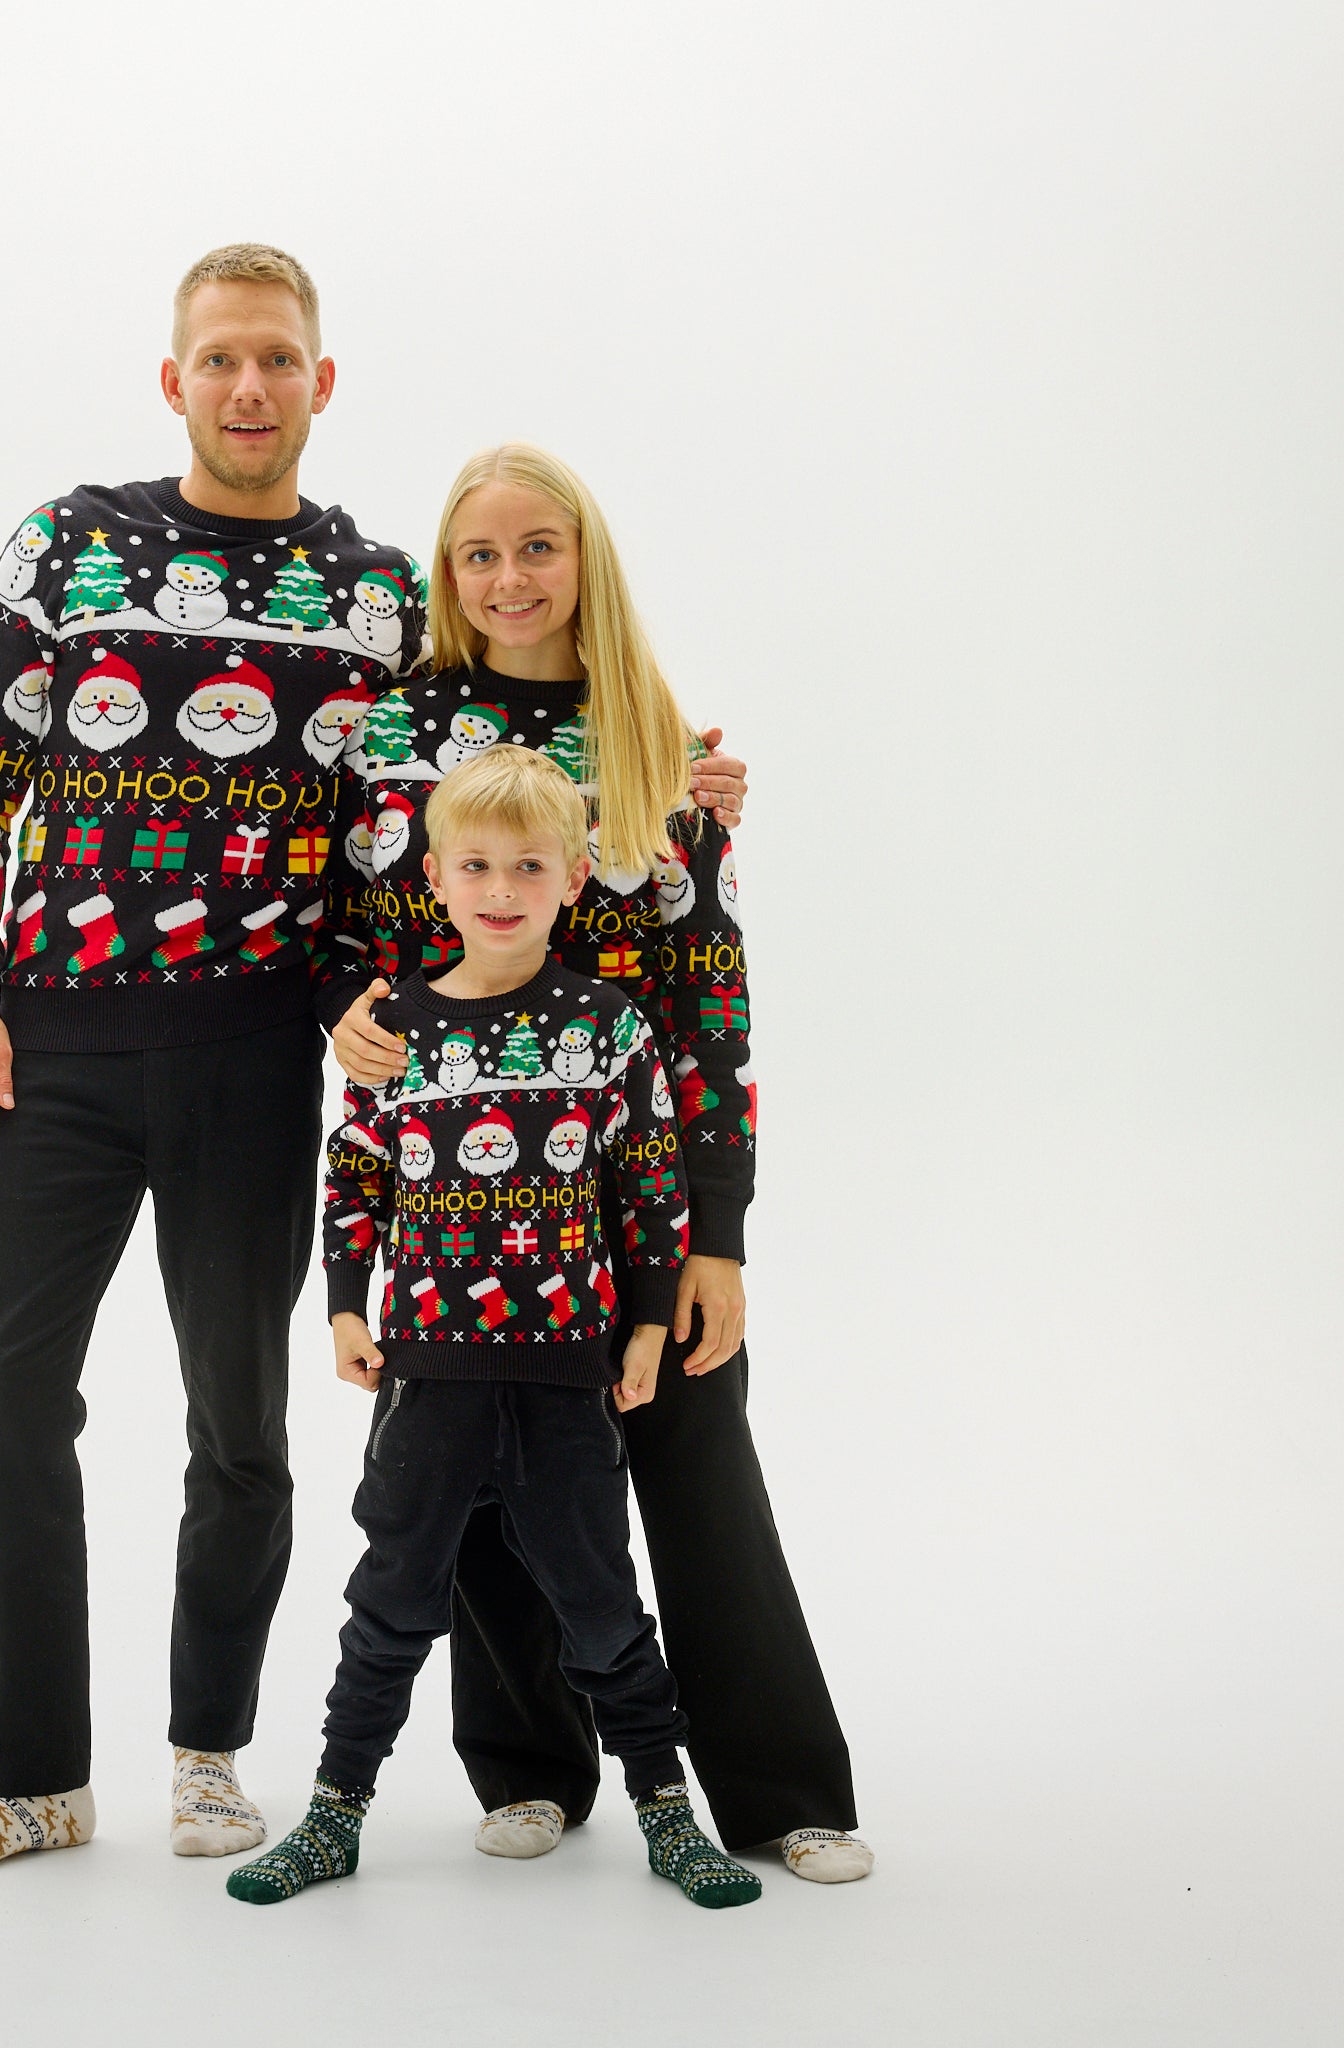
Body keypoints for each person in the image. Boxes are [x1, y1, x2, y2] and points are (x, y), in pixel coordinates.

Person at [0, 248, 745, 1882]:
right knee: (10, 1401)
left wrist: (674, 772)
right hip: (47, 1050)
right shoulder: (70, 542)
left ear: (319, 382)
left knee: (241, 1423)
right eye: (219, 358)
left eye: (277, 358)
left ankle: (208, 1758)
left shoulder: (374, 593)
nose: (248, 386)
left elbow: (471, 759)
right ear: (173, 380)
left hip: (251, 1055)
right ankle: (36, 1784)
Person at [321, 443, 871, 1883]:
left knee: (699, 1471)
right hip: (465, 1197)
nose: (509, 579)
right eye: (479, 554)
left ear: (585, 561)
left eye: (537, 548)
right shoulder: (398, 733)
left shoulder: (657, 739)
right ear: (447, 575)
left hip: (634, 1189)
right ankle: (529, 1770)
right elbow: (349, 932)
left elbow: (709, 997)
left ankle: (779, 1791)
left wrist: (717, 1232)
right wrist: (350, 1017)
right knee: (494, 1485)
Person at [227, 745, 759, 1909]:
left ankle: (666, 1811)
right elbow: (354, 1173)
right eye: (474, 865)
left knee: (599, 1602)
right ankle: (333, 1813)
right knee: (390, 1598)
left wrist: (643, 1328)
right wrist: (344, 1301)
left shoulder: (607, 1026)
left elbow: (649, 1186)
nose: (501, 887)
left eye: (527, 865)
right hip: (428, 1372)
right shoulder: (394, 1028)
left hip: (566, 1369)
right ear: (433, 877)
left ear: (572, 877)